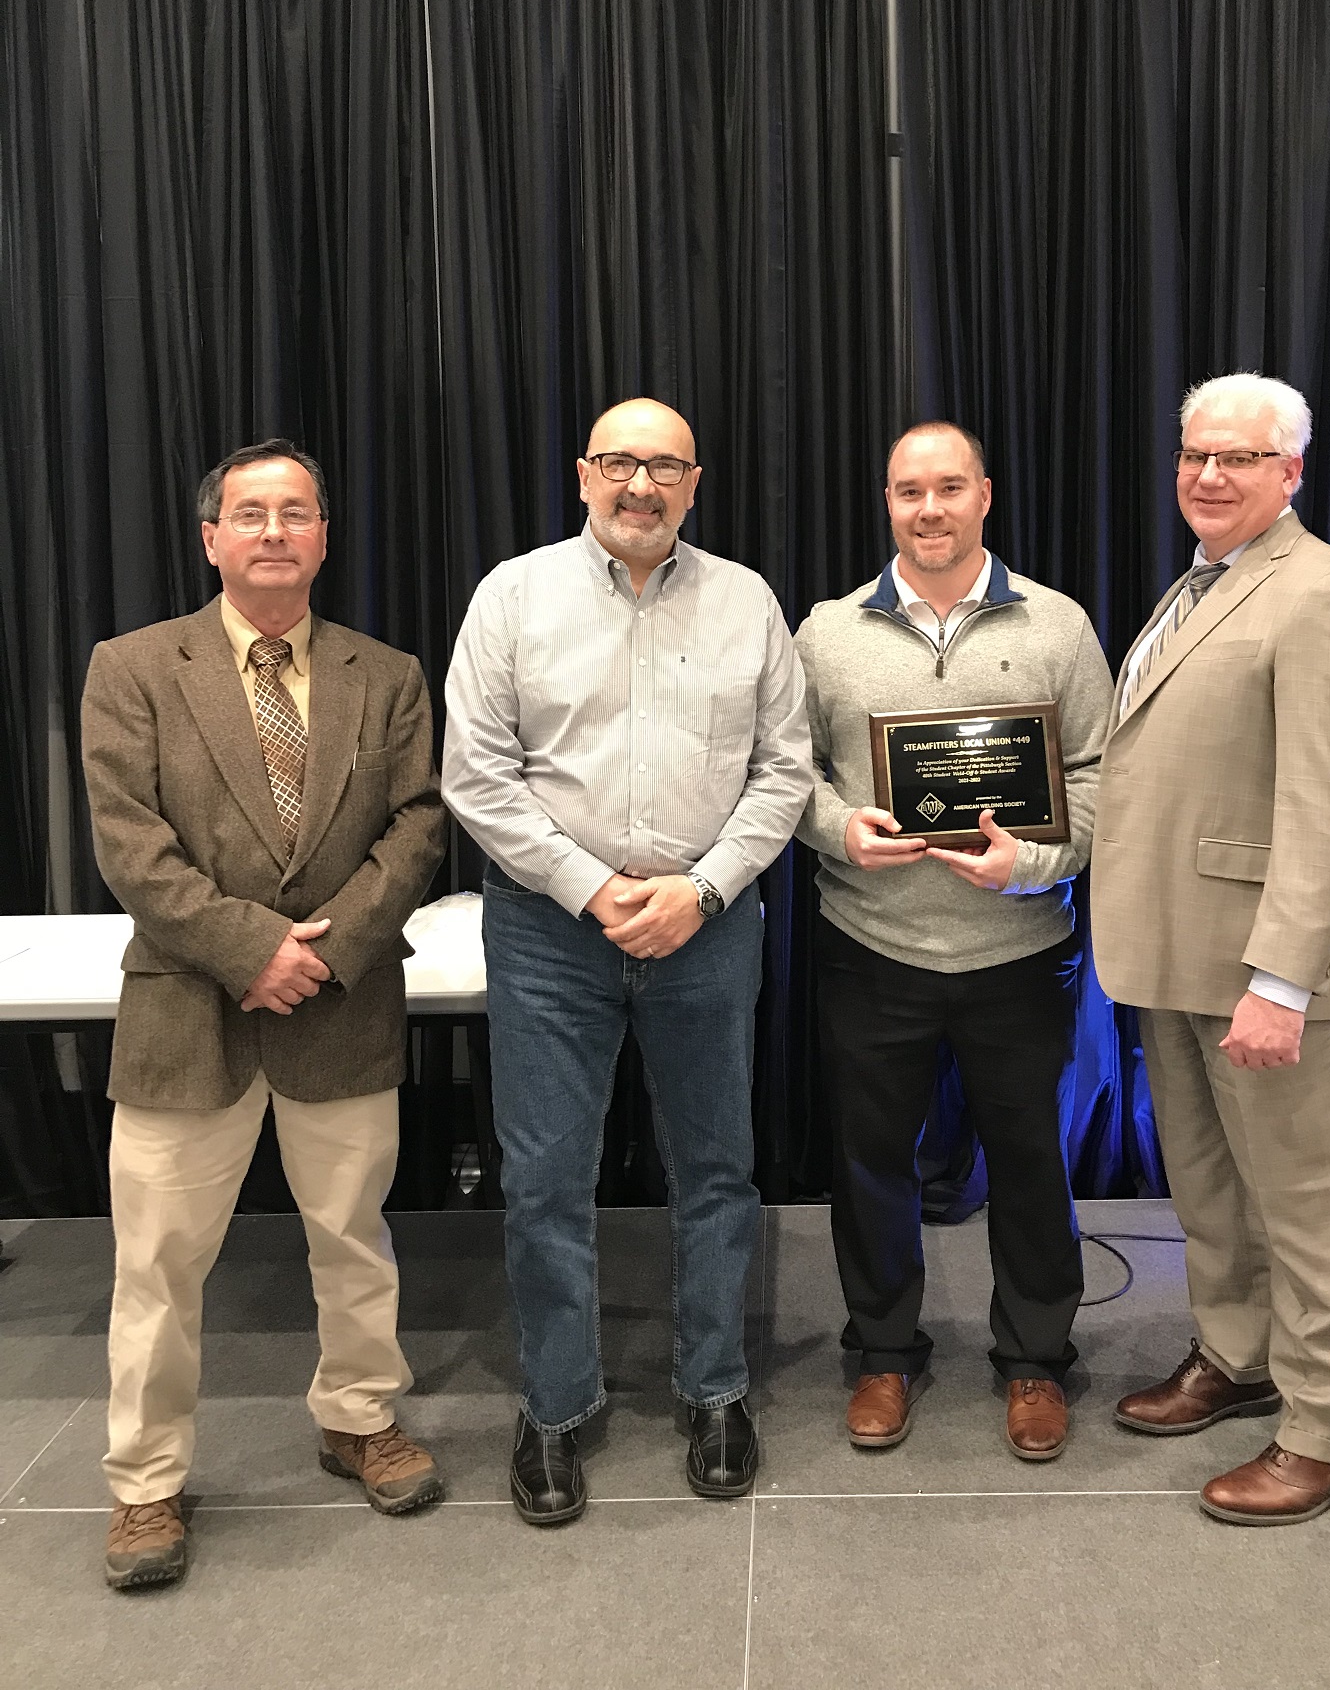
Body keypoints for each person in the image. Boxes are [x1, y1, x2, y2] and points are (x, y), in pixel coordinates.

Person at [80, 438, 448, 1591]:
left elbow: (419, 825)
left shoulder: (387, 675)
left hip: (341, 1004)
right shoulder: (135, 668)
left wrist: (319, 956)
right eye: (251, 513)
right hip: (190, 1010)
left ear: (324, 537)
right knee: (157, 1265)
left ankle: (357, 1416)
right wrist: (251, 952)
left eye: (296, 512)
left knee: (353, 1238)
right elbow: (129, 843)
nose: (275, 531)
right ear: (212, 539)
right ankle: (146, 1482)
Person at [442, 398, 811, 1525]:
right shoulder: (512, 597)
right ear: (582, 473)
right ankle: (555, 1404)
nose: (640, 484)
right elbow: (476, 775)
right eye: (619, 462)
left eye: (665, 466)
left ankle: (715, 1388)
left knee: (717, 1169)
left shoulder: (746, 601)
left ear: (695, 484)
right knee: (547, 1179)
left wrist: (702, 889)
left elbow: (784, 771)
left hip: (707, 925)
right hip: (549, 931)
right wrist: (594, 889)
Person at [1092, 372, 1330, 1525]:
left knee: (1310, 1205)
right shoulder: (1199, 586)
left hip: (1273, 969)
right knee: (1214, 1187)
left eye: (1239, 457)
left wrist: (1281, 980)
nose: (1209, 475)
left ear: (1292, 471)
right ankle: (1239, 1355)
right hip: (1178, 952)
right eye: (1195, 455)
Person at [793, 422, 1113, 1459]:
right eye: (907, 491)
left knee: (1031, 1163)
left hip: (1020, 951)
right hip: (870, 944)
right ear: (887, 503)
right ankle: (884, 1353)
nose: (927, 508)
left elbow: (1102, 776)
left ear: (985, 494)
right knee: (870, 1164)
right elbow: (784, 774)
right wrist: (839, 829)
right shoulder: (825, 633)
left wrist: (1034, 864)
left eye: (948, 487)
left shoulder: (1058, 626)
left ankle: (1035, 1361)